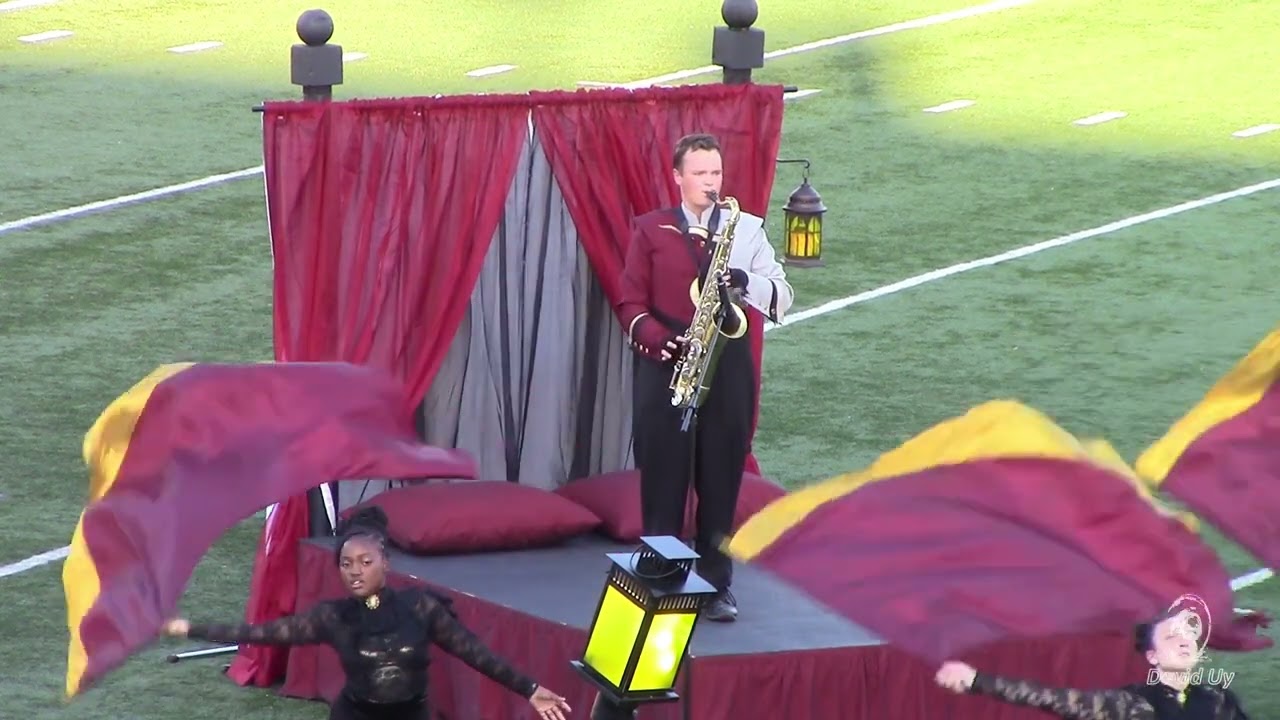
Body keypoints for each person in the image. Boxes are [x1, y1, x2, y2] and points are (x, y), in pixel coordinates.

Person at [161, 507, 572, 720]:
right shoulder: (333, 617)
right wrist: (191, 626)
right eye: (346, 564)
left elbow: (476, 653)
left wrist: (530, 688)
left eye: (365, 562)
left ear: (385, 563)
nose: (355, 571)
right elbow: (262, 633)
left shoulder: (420, 607)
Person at [616, 132, 794, 622]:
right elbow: (629, 302)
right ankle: (661, 577)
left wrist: (746, 282)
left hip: (727, 368)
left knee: (721, 479)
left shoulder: (746, 229)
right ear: (678, 177)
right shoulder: (651, 229)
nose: (711, 182)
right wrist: (657, 338)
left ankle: (716, 585)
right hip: (668, 366)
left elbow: (782, 295)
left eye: (716, 172)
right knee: (663, 479)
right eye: (700, 173)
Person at [934, 609, 1251, 719]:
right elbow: (1055, 698)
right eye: (1171, 637)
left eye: (1187, 635)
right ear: (1152, 657)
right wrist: (977, 680)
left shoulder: (1218, 698)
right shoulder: (1135, 703)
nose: (1183, 641)